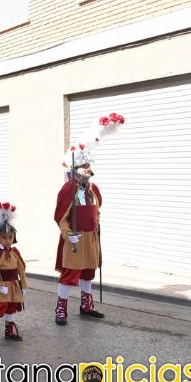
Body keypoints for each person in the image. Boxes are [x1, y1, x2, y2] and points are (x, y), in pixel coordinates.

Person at [54, 114, 124, 326]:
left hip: (91, 238)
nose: (87, 170)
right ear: (74, 170)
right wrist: (68, 234)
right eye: (83, 167)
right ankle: (61, 308)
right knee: (69, 274)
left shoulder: (93, 189)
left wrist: (97, 225)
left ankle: (86, 305)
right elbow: (60, 217)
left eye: (88, 166)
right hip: (74, 239)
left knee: (88, 273)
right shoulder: (68, 189)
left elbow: (97, 209)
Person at [0, 202, 27, 349]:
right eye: (4, 237)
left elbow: (21, 269)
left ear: (14, 237)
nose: (7, 240)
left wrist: (24, 285)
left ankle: (10, 330)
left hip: (14, 286)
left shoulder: (15, 252)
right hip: (1, 287)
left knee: (11, 308)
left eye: (10, 237)